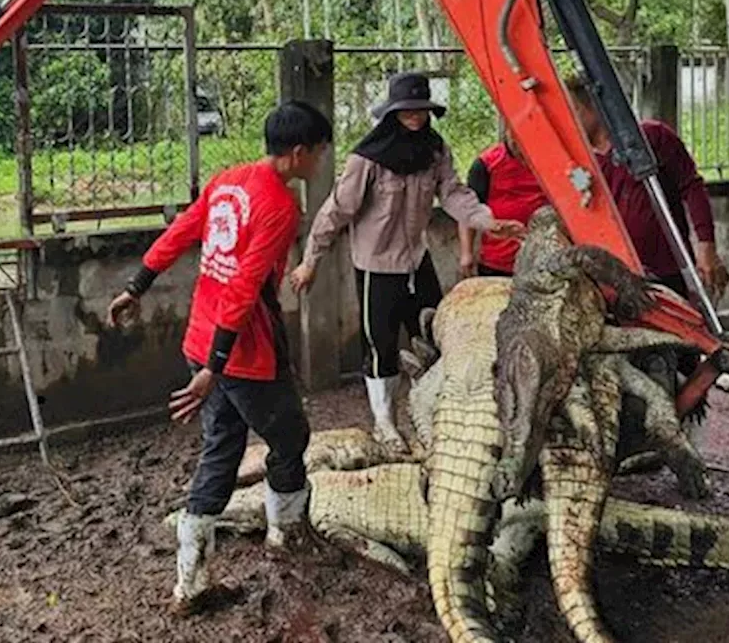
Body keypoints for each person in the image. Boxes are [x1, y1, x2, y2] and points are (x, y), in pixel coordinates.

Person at [106, 101, 333, 614]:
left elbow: (184, 229)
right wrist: (217, 364)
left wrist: (137, 284)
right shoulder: (279, 206)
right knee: (290, 434)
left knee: (222, 446)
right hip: (240, 347)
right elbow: (246, 286)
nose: (319, 162)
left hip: (203, 333)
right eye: (318, 154)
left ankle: (191, 582)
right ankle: (288, 535)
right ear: (298, 154)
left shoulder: (229, 179)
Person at [289, 72, 525, 453]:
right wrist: (309, 261)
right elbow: (336, 211)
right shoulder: (367, 159)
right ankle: (385, 423)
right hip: (377, 267)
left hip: (418, 262)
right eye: (407, 110)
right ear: (393, 113)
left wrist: (488, 220)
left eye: (422, 109)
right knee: (381, 345)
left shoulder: (434, 151)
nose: (416, 116)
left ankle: (432, 415)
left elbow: (453, 193)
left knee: (434, 337)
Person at [564, 74, 729, 447]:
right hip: (611, 280)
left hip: (664, 271)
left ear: (593, 106)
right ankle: (635, 438)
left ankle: (686, 440)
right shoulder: (578, 162)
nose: (570, 120)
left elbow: (691, 185)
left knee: (682, 352)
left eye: (574, 110)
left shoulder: (651, 138)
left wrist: (705, 245)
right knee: (623, 360)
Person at [457, 129, 548, 278]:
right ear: (508, 133)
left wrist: (584, 182)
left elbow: (584, 179)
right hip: (499, 262)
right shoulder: (485, 165)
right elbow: (467, 211)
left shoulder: (556, 158)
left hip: (544, 261)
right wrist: (466, 254)